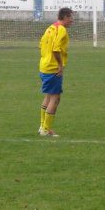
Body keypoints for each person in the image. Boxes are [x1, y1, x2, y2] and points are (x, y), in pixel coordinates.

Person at [38, 8, 74, 137]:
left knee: (48, 97)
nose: (72, 20)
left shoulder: (50, 28)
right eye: (71, 18)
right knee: (55, 98)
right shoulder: (61, 30)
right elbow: (55, 49)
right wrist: (60, 65)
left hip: (44, 66)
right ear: (65, 17)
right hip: (53, 69)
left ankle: (43, 126)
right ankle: (45, 130)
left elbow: (41, 45)